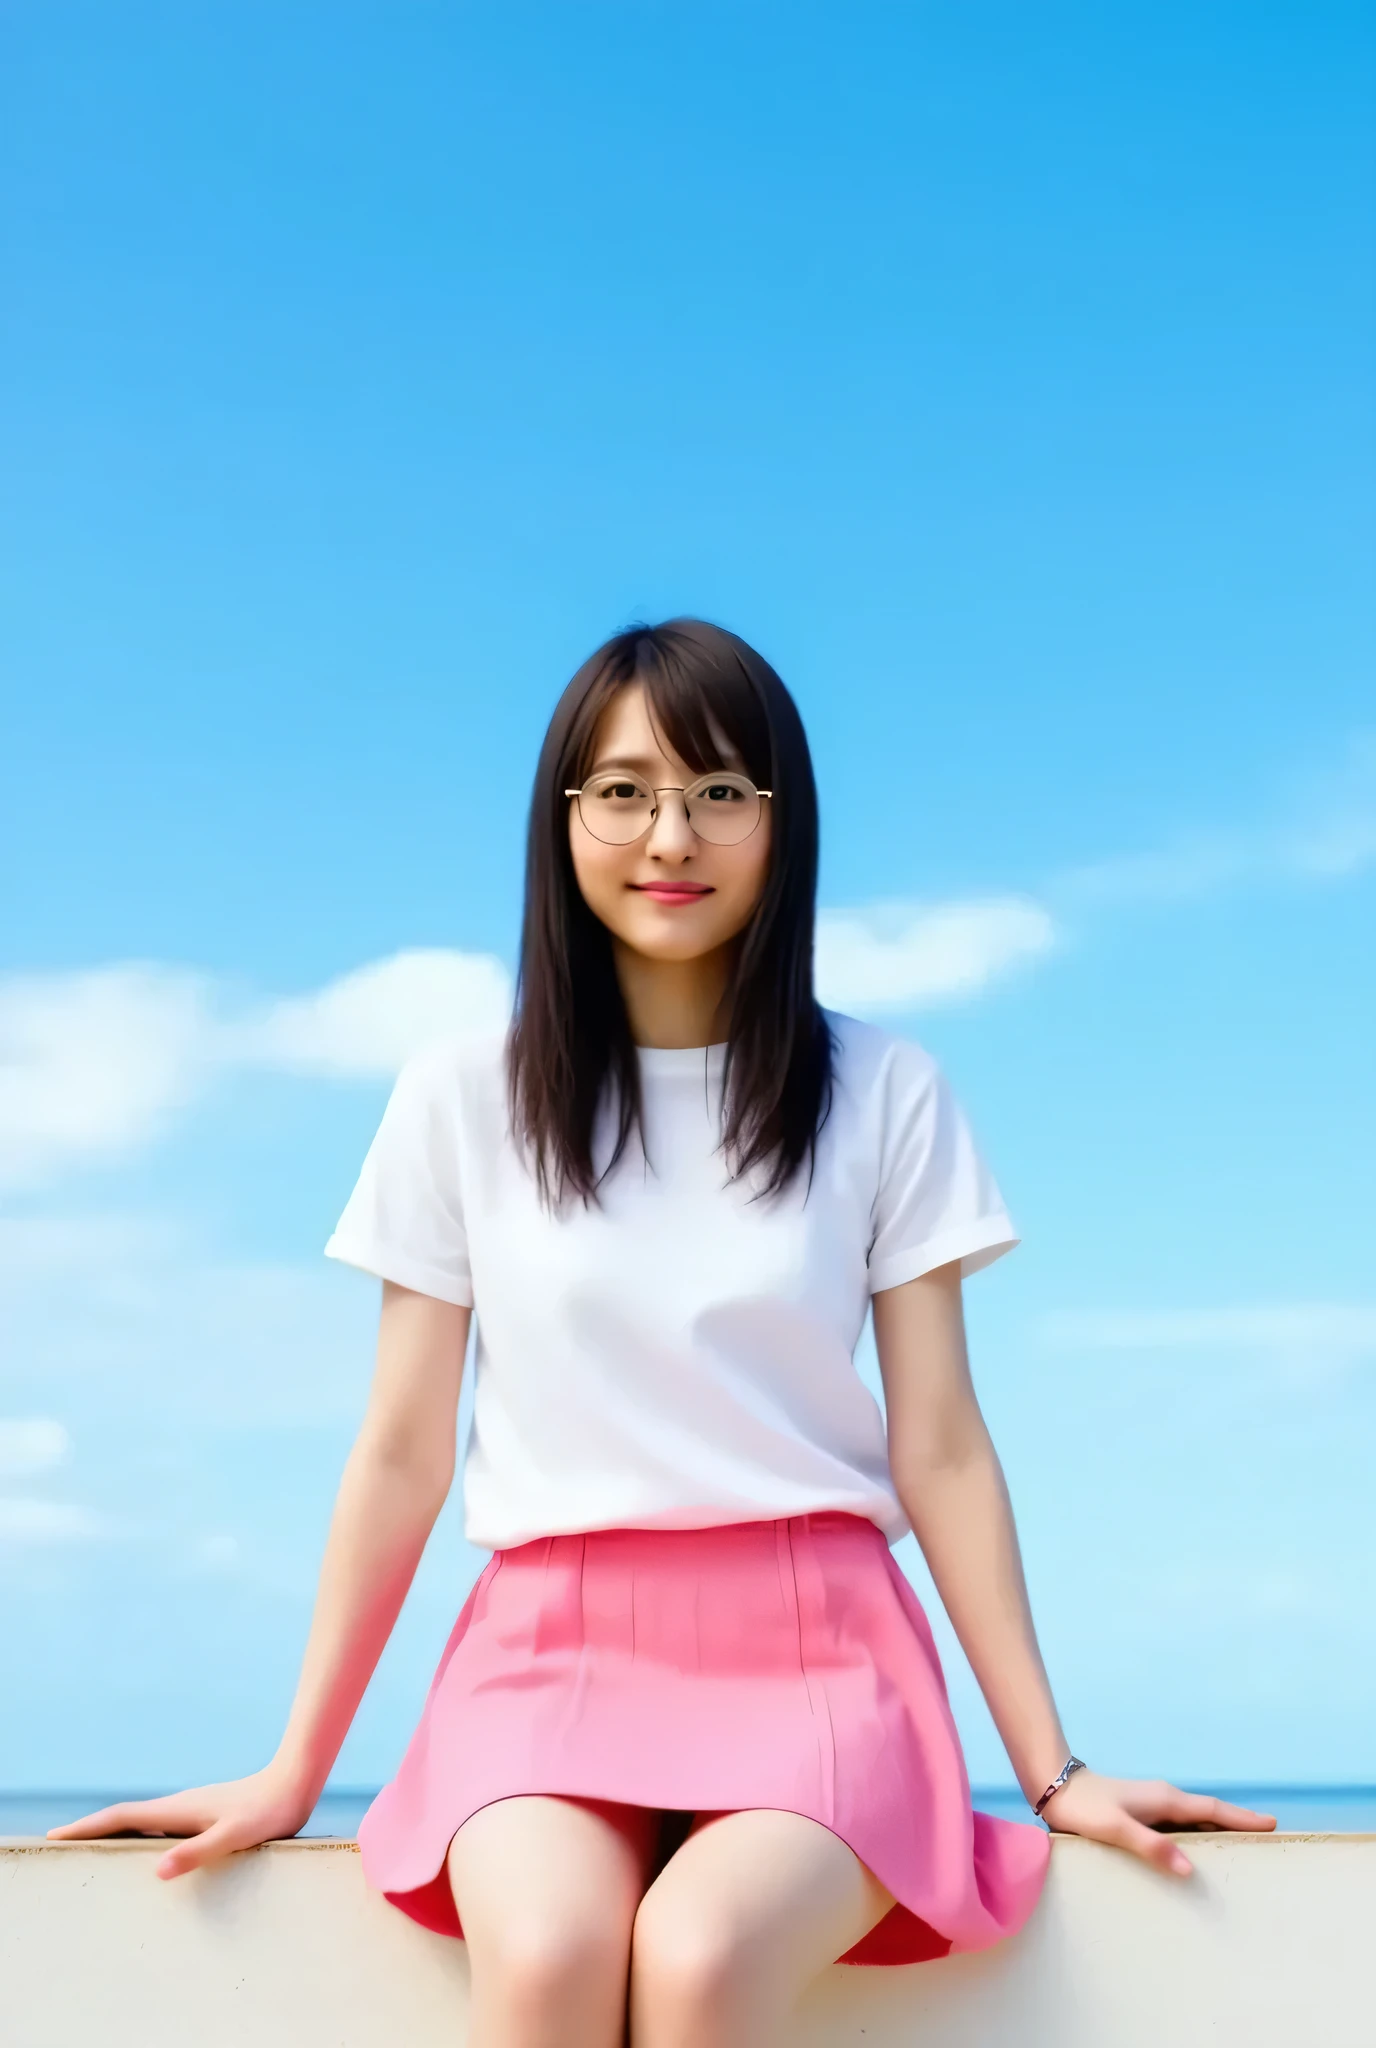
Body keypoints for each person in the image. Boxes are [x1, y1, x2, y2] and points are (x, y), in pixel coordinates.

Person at [53, 620, 1274, 2046]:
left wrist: (1054, 1772)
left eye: (720, 792)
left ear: (781, 821)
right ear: (562, 816)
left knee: (698, 1960)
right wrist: (293, 1766)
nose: (669, 835)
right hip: (546, 1645)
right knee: (559, 1949)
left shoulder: (883, 1090)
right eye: (623, 790)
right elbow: (399, 1452)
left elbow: (940, 1447)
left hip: (819, 1642)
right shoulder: (462, 1095)